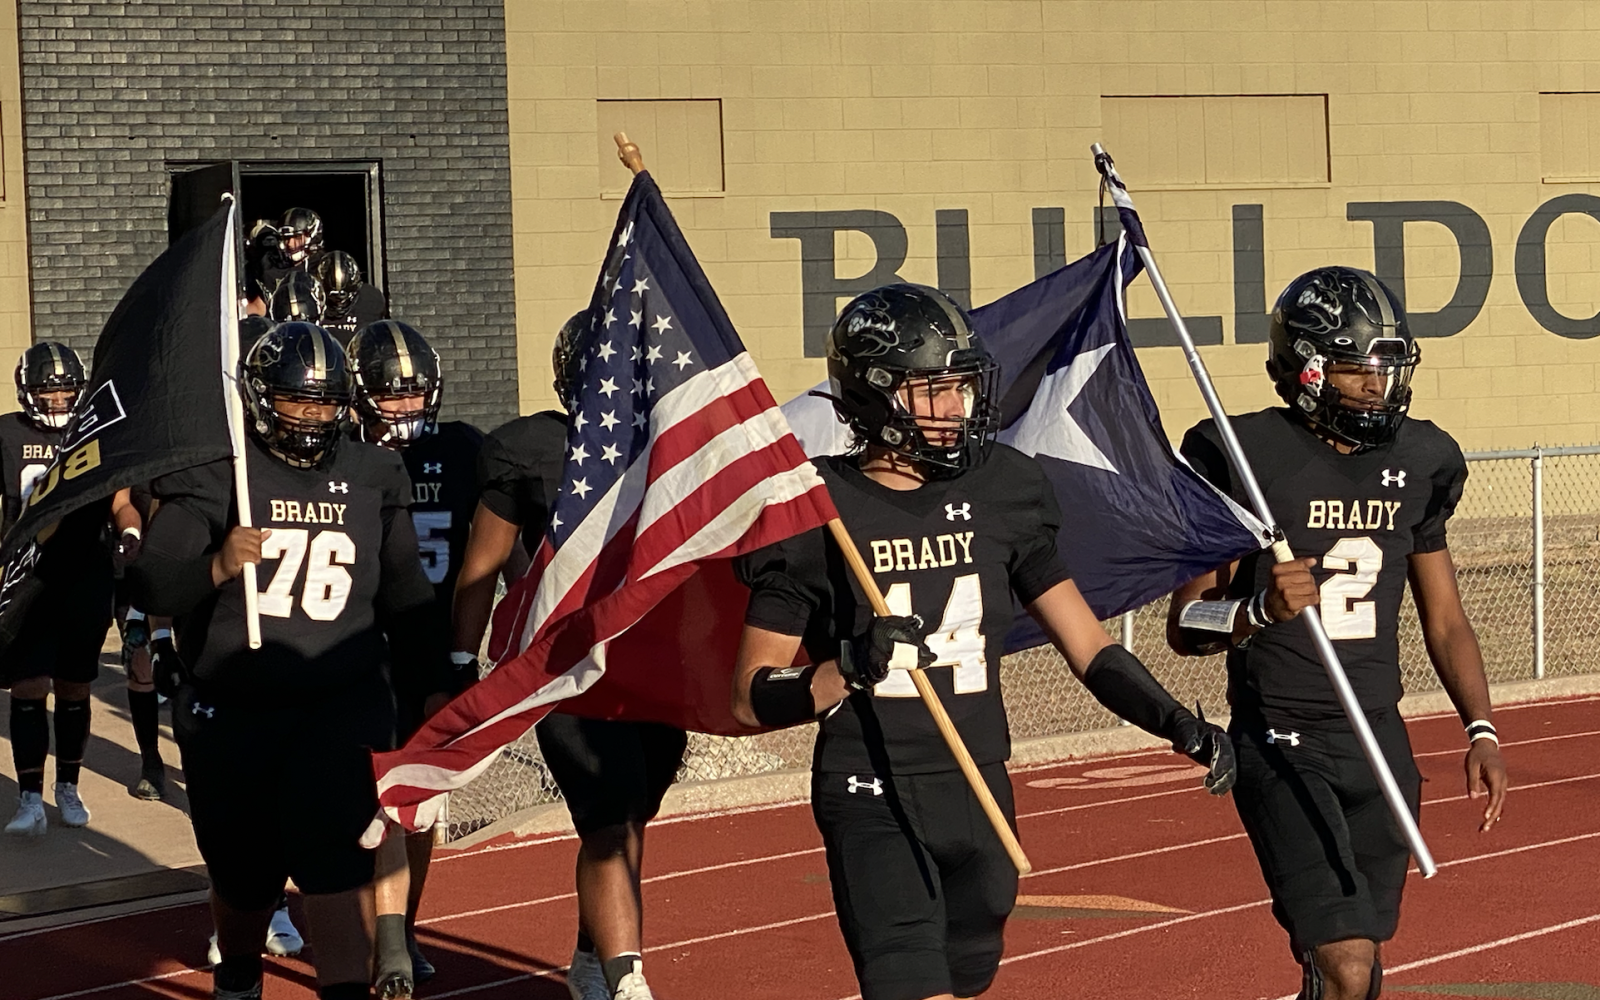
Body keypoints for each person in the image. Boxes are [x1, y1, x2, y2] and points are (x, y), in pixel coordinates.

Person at [730, 284, 1236, 1000]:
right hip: (872, 786)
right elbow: (750, 697)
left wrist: (1176, 722)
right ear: (874, 397)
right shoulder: (817, 508)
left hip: (978, 778)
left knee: (970, 968)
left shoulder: (1005, 487)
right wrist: (845, 666)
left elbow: (1088, 644)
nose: (954, 409)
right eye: (930, 391)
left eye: (959, 388)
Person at [1164, 266, 1508, 1000]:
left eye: (1387, 367)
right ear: (1310, 368)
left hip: (1379, 734)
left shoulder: (1421, 458)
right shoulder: (1245, 454)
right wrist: (1258, 612)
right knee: (1346, 960)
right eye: (1358, 369)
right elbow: (1186, 623)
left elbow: (1445, 618)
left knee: (1361, 961)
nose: (1377, 386)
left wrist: (1481, 727)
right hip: (1283, 735)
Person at [129, 321, 450, 1000]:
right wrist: (216, 563)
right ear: (258, 397)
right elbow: (151, 585)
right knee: (245, 879)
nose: (312, 417)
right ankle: (240, 974)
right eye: (298, 401)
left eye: (327, 403)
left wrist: (434, 688)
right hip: (232, 710)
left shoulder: (373, 473)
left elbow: (406, 595)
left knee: (337, 865)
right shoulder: (221, 470)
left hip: (339, 703)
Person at [451, 312, 683, 1000]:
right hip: (569, 667)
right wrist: (461, 666)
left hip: (653, 665)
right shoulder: (528, 449)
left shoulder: (672, 446)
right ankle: (626, 978)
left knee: (633, 819)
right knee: (609, 819)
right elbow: (480, 569)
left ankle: (591, 953)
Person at [348, 319, 482, 998]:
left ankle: (403, 930)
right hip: (356, 650)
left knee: (420, 805)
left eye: (414, 394)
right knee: (360, 804)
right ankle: (370, 934)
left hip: (430, 648)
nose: (404, 406)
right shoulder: (344, 458)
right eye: (389, 394)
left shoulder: (462, 451)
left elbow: (500, 542)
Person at [3, 343, 117, 837]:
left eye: (65, 389)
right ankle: (30, 797)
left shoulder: (93, 430)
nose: (57, 400)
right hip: (28, 575)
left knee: (74, 685)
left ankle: (67, 785)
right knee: (29, 685)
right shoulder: (6, 433)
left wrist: (130, 533)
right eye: (48, 391)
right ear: (27, 391)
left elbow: (121, 497)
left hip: (85, 574)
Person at [316, 253, 388, 344]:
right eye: (333, 298)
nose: (338, 303)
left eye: (343, 297)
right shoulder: (312, 301)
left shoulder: (370, 300)